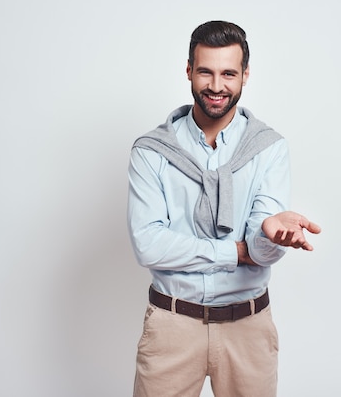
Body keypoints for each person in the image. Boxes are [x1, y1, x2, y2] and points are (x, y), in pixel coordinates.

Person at [127, 20, 321, 397]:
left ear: (245, 75)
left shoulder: (268, 148)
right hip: (172, 326)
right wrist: (235, 252)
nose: (217, 86)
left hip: (247, 328)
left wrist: (269, 236)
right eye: (206, 72)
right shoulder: (151, 151)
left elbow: (261, 254)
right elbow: (148, 244)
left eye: (229, 73)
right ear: (188, 71)